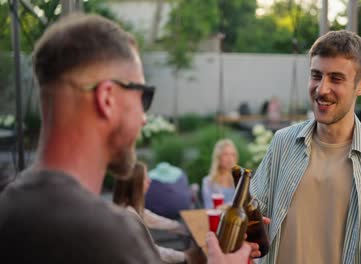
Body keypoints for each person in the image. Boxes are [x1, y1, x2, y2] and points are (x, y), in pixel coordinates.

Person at [0, 14, 251, 264]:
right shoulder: (110, 235)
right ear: (107, 98)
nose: (144, 117)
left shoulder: (9, 206)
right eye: (143, 95)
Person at [250, 30, 361, 264]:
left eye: (336, 78)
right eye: (316, 75)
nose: (322, 89)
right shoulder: (282, 143)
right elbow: (251, 210)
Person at [114, 161, 189, 263]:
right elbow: (151, 251)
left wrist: (178, 226)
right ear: (135, 183)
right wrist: (185, 256)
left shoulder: (127, 205)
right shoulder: (129, 216)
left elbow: (151, 218)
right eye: (145, 178)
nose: (149, 181)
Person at [202, 139, 238, 208]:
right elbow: (209, 207)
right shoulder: (208, 182)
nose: (230, 158)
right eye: (225, 154)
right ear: (218, 157)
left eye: (233, 155)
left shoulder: (241, 179)